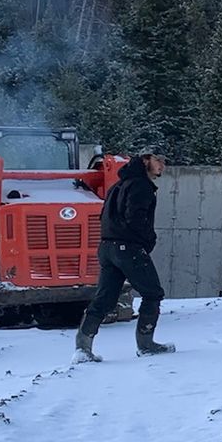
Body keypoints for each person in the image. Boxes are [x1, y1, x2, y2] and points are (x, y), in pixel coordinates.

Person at [75, 151, 175, 361]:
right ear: (145, 160)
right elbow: (136, 218)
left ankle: (83, 348)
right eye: (158, 160)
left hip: (107, 248)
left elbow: (103, 217)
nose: (162, 166)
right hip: (128, 249)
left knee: (104, 299)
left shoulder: (118, 186)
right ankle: (146, 344)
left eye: (164, 161)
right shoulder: (141, 185)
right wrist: (148, 241)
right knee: (153, 293)